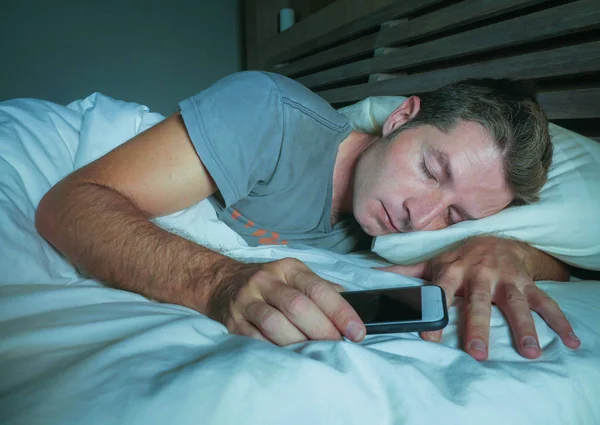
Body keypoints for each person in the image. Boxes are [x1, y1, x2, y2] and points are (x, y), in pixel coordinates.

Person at [35, 71, 581, 362]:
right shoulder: (268, 113)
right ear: (400, 118)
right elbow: (71, 203)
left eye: (457, 214)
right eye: (431, 170)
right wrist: (219, 282)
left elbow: (575, 267)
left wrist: (510, 249)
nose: (422, 216)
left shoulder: (405, 238)